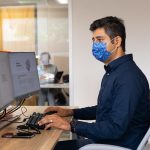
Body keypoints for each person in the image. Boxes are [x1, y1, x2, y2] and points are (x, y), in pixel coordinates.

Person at [38, 16, 150, 150]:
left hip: (115, 145)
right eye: (93, 40)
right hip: (107, 141)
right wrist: (69, 112)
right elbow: (104, 108)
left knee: (48, 147)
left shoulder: (128, 77)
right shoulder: (115, 71)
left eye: (100, 40)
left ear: (117, 41)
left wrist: (71, 125)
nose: (95, 45)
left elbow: (115, 128)